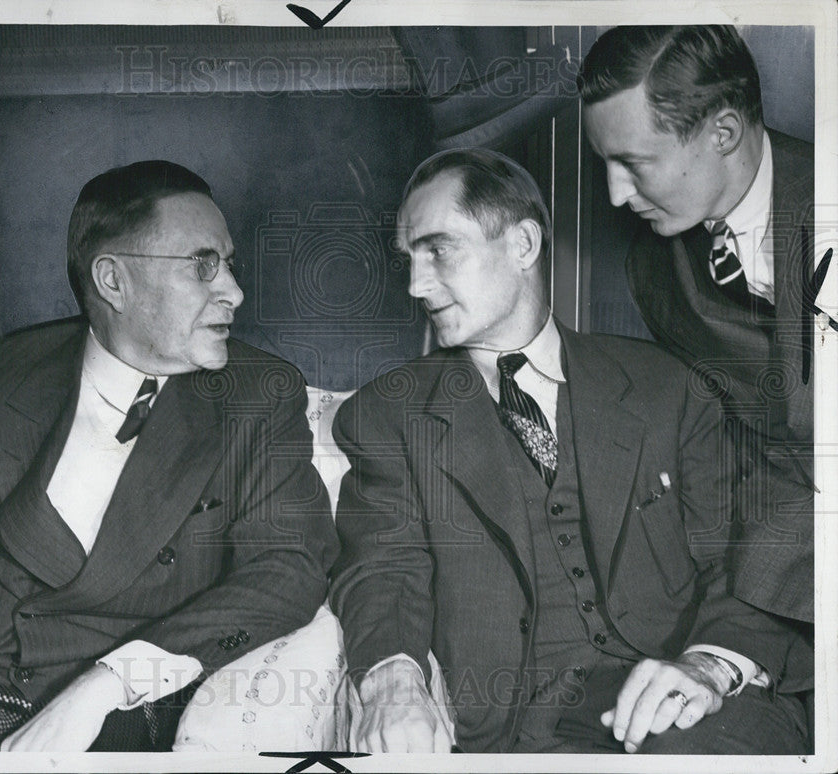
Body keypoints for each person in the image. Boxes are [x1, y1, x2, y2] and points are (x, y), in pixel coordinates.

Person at [329, 148, 808, 754]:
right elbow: (381, 567)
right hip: (514, 735)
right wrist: (391, 679)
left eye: (439, 250)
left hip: (694, 712)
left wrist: (707, 668)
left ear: (523, 245)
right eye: (409, 259)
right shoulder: (390, 412)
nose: (416, 284)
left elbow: (749, 553)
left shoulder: (668, 386)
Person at [0, 160, 338, 752]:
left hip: (125, 726)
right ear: (113, 281)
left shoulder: (259, 396)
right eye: (203, 265)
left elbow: (287, 570)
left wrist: (111, 682)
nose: (235, 292)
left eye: (230, 263)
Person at [578, 25, 816, 626]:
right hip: (777, 564)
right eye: (606, 165)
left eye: (633, 163)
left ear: (724, 133)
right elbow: (729, 448)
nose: (614, 195)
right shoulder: (655, 266)